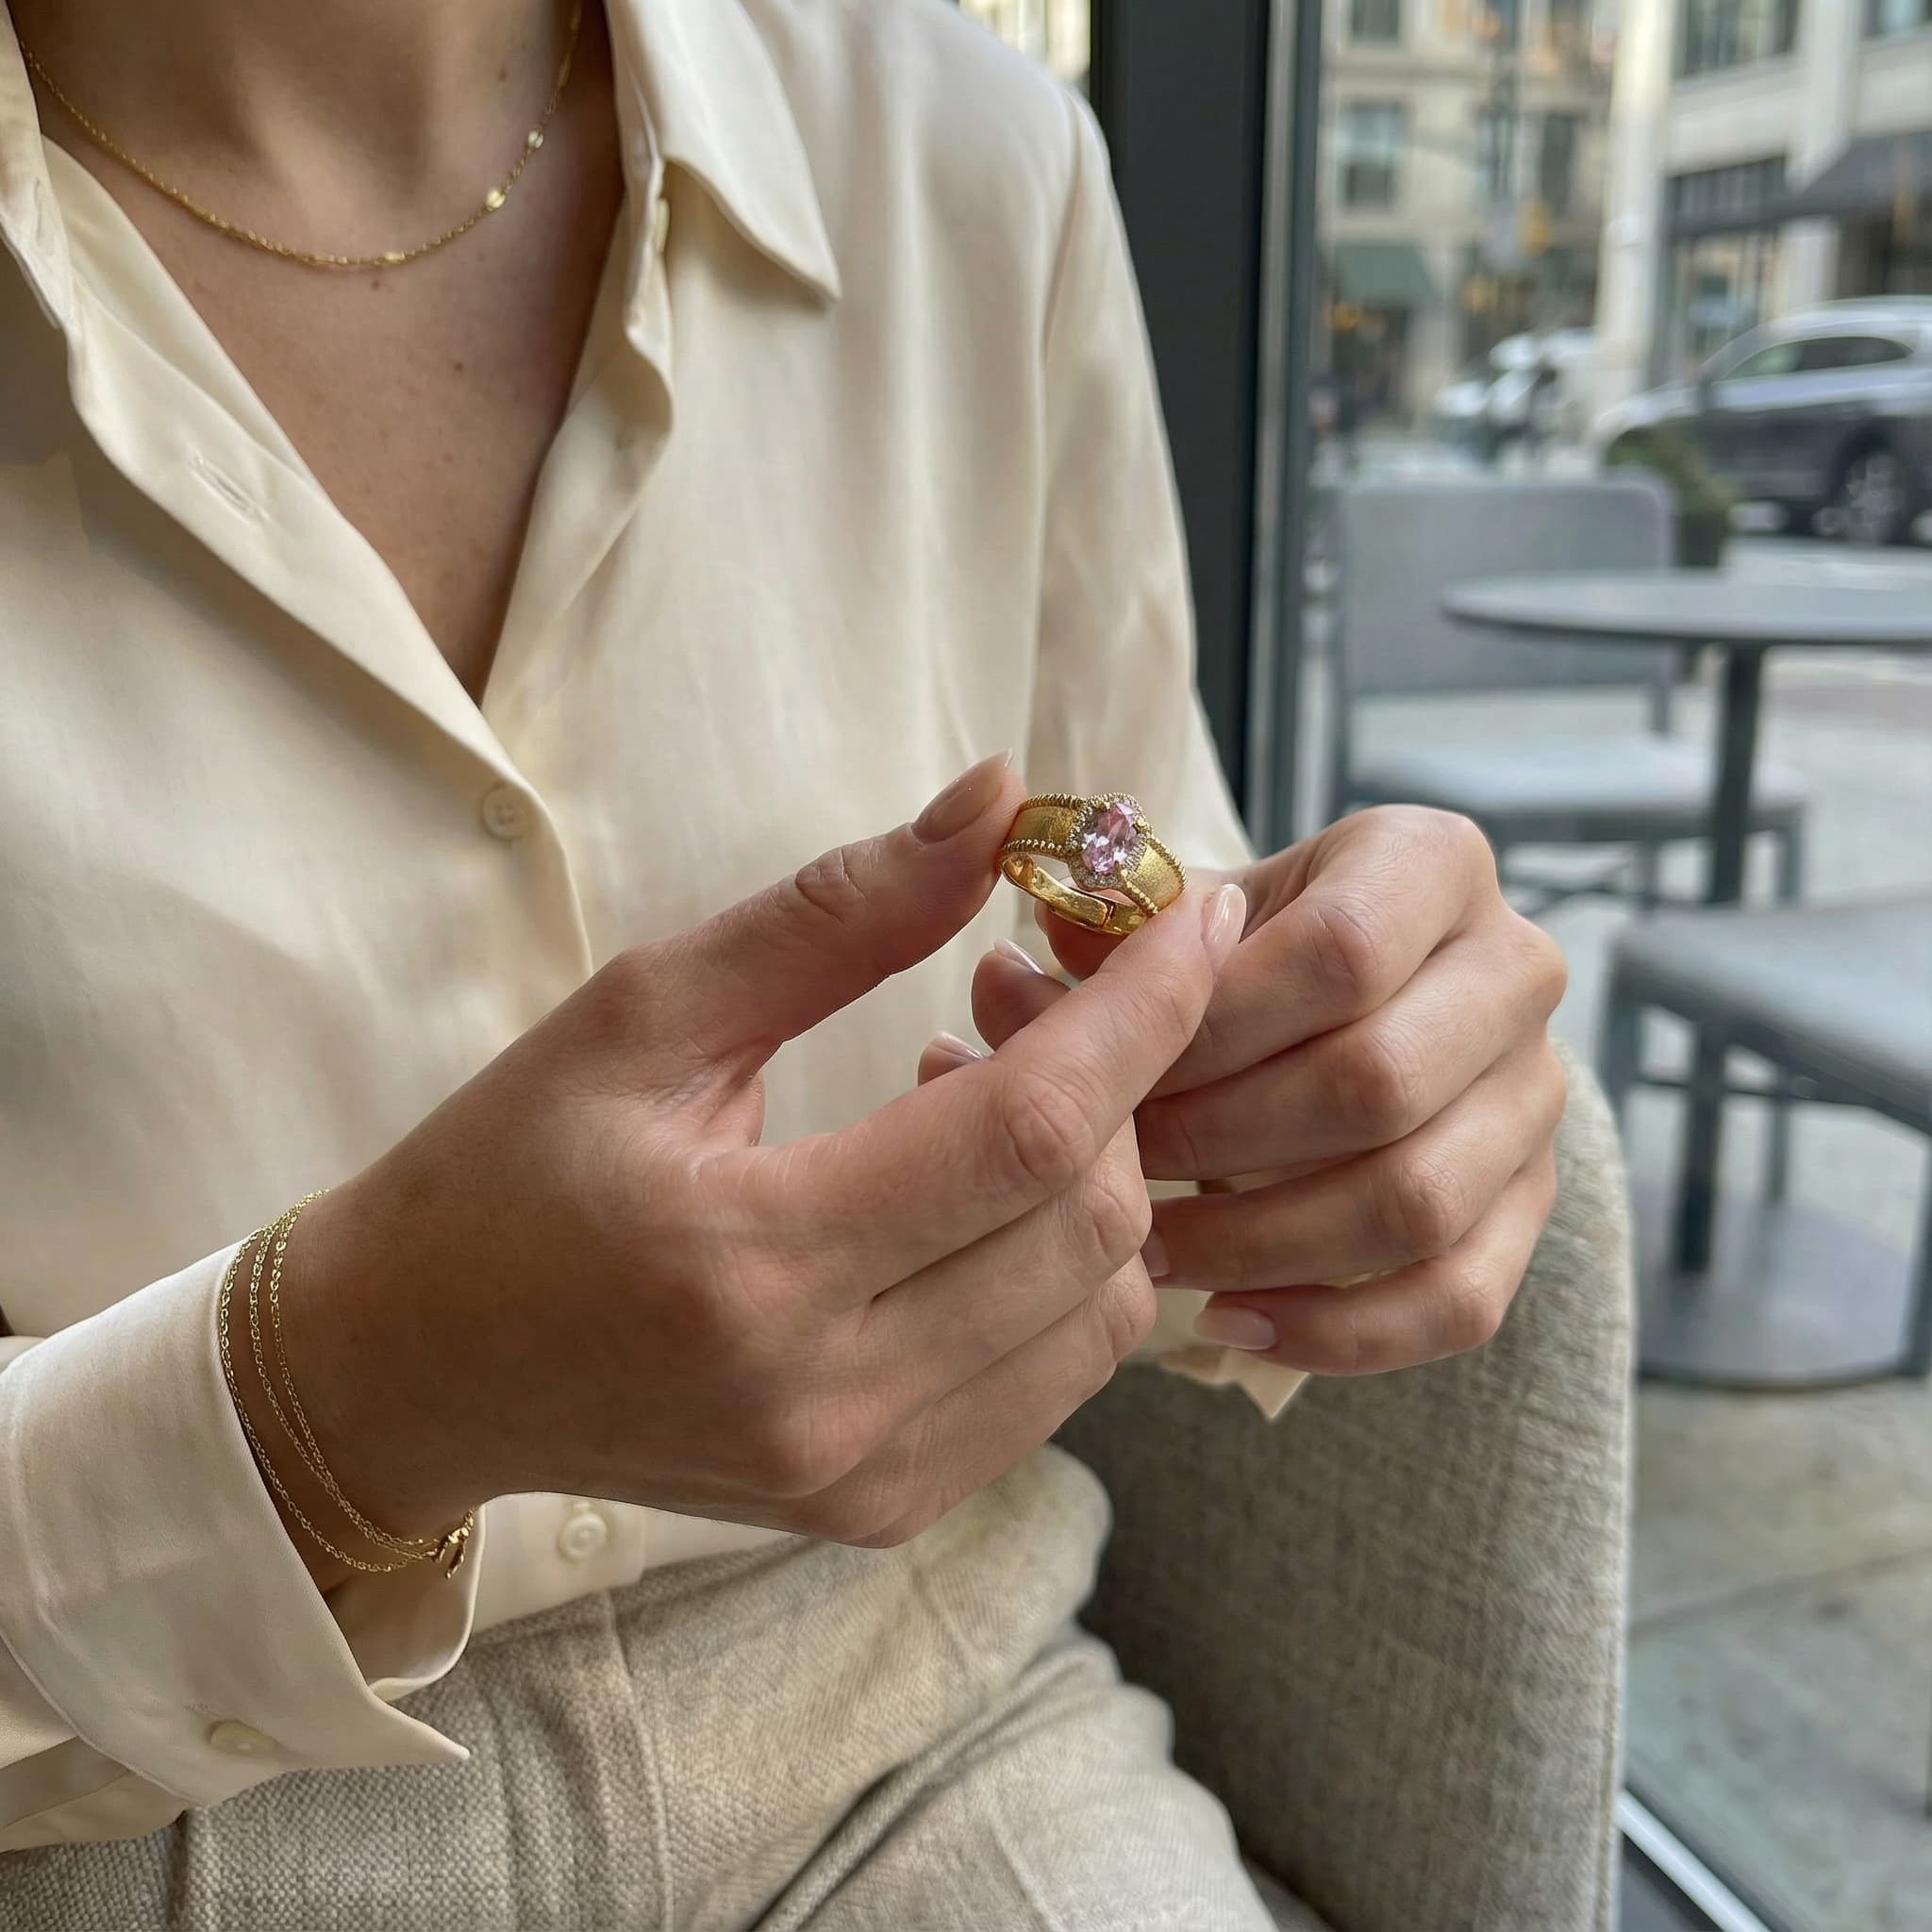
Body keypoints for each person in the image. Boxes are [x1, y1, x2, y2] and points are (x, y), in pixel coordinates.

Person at [0, 0, 1569, 1924]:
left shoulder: (973, 168)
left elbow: (1148, 992)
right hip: (104, 1826)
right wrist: (331, 1401)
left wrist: (1336, 1088)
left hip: (911, 1725)